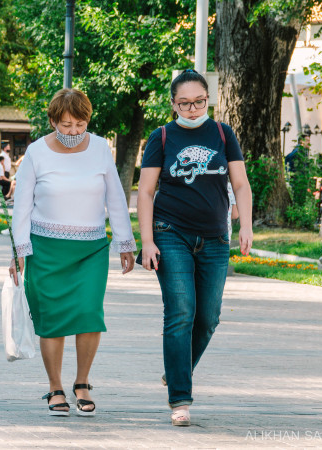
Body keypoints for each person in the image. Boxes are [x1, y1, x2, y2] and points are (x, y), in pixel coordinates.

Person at [136, 69, 253, 427]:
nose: (191, 109)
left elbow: (241, 183)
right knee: (181, 311)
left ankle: (176, 370)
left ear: (208, 99)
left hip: (216, 238)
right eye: (183, 103)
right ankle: (180, 400)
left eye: (198, 102)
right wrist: (148, 241)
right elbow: (145, 192)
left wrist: (246, 224)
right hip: (171, 232)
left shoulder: (223, 133)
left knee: (208, 317)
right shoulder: (161, 137)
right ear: (173, 104)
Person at [10, 88, 136, 417]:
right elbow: (22, 205)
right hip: (46, 249)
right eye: (66, 125)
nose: (73, 132)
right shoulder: (37, 152)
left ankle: (82, 382)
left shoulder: (99, 148)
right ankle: (54, 387)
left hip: (90, 250)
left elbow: (115, 196)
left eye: (80, 125)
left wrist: (125, 242)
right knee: (52, 321)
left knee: (89, 314)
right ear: (52, 121)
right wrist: (18, 250)